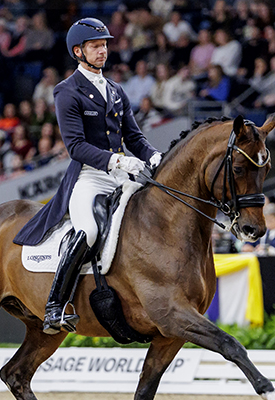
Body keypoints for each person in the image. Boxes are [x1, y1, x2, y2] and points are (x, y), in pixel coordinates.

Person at [13, 18, 162, 335]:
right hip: (90, 176)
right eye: (96, 46)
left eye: (105, 45)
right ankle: (55, 305)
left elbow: (134, 137)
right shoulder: (67, 91)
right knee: (90, 230)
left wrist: (153, 156)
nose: (103, 50)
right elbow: (76, 147)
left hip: (122, 174)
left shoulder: (116, 90)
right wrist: (118, 161)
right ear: (78, 51)